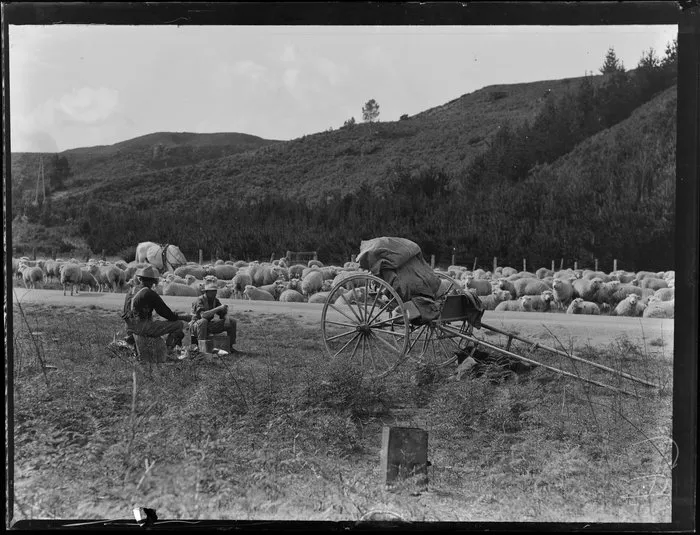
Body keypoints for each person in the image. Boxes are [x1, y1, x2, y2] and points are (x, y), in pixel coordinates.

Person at [122, 265, 185, 352]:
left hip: (128, 325)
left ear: (140, 279)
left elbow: (126, 310)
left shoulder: (131, 291)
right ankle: (168, 350)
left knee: (153, 321)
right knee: (178, 324)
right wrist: (180, 316)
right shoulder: (149, 293)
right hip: (142, 327)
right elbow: (166, 314)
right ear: (153, 281)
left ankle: (133, 339)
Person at [190, 282, 238, 352]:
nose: (214, 293)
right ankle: (201, 347)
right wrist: (218, 308)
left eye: (215, 291)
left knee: (232, 321)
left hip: (208, 324)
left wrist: (227, 319)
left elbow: (223, 313)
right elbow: (203, 315)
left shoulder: (215, 300)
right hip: (196, 325)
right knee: (203, 321)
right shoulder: (199, 300)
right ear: (206, 292)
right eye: (212, 291)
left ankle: (230, 347)